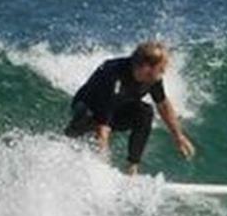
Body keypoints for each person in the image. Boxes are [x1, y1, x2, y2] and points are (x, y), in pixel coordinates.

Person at [64, 41, 196, 174]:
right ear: (146, 67)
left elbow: (162, 104)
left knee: (145, 112)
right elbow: (102, 127)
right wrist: (103, 173)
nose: (163, 72)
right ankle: (69, 142)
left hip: (117, 108)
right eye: (161, 69)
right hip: (89, 107)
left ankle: (132, 168)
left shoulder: (152, 78)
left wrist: (179, 137)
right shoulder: (112, 75)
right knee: (90, 118)